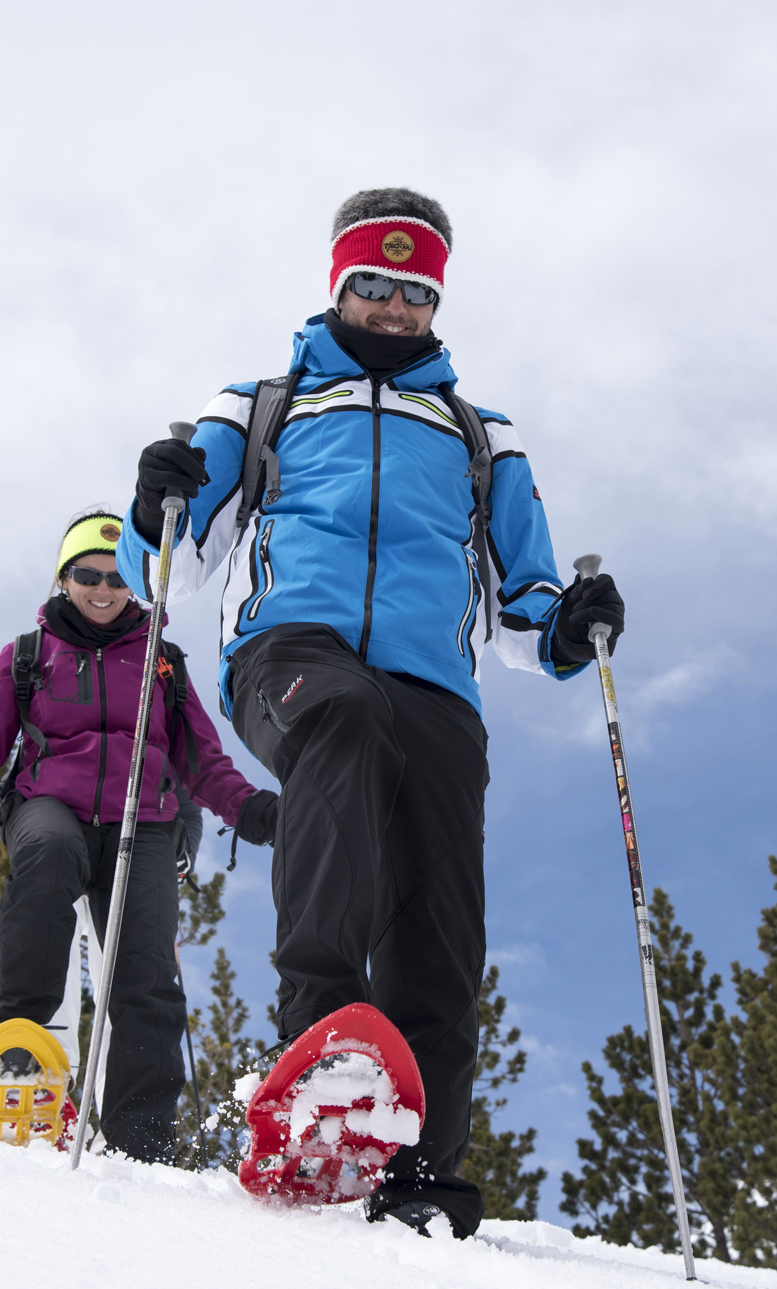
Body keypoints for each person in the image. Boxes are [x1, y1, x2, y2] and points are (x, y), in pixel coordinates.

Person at [117, 188, 625, 1235]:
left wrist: (570, 628)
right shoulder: (260, 404)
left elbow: (522, 599)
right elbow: (169, 559)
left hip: (434, 686)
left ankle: (420, 1169)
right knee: (340, 724)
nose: (392, 306)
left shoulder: (481, 437)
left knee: (437, 913)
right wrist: (149, 505)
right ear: (338, 286)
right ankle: (317, 1041)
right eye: (374, 285)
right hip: (287, 652)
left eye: (414, 291)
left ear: (434, 304)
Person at [0, 510, 279, 1162]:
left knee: (144, 972)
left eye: (119, 575)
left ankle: (138, 1138)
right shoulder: (29, 655)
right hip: (47, 804)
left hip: (141, 822)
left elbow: (202, 762)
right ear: (63, 578)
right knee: (47, 852)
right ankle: (17, 1057)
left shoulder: (162, 663)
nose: (103, 587)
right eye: (87, 574)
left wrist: (251, 810)